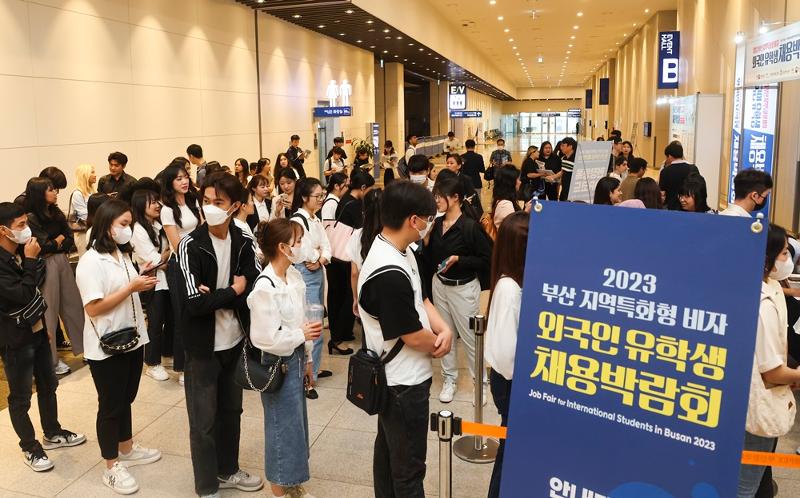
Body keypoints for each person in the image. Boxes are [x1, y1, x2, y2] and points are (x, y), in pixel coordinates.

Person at [357, 181, 453, 498]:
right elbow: (410, 335)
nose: (429, 225)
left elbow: (421, 299)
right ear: (414, 220)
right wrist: (439, 345)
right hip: (402, 383)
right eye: (428, 218)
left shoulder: (401, 250)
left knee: (389, 455)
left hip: (402, 376)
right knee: (409, 470)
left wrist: (444, 329)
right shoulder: (387, 271)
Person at [177, 172, 263, 497]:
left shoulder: (242, 240)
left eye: (219, 202)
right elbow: (194, 304)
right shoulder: (190, 244)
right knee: (203, 421)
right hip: (202, 348)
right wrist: (231, 290)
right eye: (206, 201)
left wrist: (221, 294)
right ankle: (207, 486)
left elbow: (252, 288)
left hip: (234, 341)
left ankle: (228, 469)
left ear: (235, 206)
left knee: (232, 412)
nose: (210, 208)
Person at [75, 199, 161, 494]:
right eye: (123, 224)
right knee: (111, 405)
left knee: (127, 397)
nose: (128, 230)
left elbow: (127, 289)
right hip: (107, 344)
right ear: (107, 225)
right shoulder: (90, 262)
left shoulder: (120, 254)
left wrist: (142, 275)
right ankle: (111, 465)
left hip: (133, 337)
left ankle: (126, 448)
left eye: (130, 224)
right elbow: (94, 308)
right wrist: (131, 287)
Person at [0, 202, 86, 472]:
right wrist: (30, 259)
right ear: (3, 230)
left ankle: (52, 431)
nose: (27, 230)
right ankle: (30, 447)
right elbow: (23, 293)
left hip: (36, 330)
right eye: (21, 226)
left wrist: (44, 325)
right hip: (14, 339)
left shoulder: (20, 253)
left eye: (27, 223)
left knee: (49, 385)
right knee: (21, 396)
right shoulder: (9, 260)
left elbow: (36, 285)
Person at [248, 219, 321, 498]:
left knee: (296, 425)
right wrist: (299, 335)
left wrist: (309, 358)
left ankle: (291, 483)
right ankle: (279, 489)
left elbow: (305, 322)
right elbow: (265, 339)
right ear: (282, 247)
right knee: (281, 426)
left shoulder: (294, 277)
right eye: (298, 241)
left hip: (297, 359)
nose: (302, 247)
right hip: (278, 362)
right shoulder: (265, 287)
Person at [737, 224, 800, 498]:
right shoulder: (762, 307)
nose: (789, 259)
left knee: (758, 475)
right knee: (744, 486)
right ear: (767, 259)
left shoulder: (761, 285)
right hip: (757, 405)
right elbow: (772, 372)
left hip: (751, 400)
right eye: (784, 253)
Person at [425, 176, 492, 404]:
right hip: (439, 285)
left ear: (455, 198)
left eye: (440, 195)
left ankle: (480, 383)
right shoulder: (436, 224)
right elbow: (429, 256)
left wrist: (459, 259)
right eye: (435, 195)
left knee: (471, 338)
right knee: (445, 336)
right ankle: (449, 379)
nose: (436, 200)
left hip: (463, 289)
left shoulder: (469, 227)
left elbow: (487, 259)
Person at [484, 211, 529, 498]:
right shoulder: (509, 289)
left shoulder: (514, 282)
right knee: (510, 451)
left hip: (510, 380)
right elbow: (504, 354)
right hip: (510, 382)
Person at [25, 178, 84, 375]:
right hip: (45, 265)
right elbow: (42, 246)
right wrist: (58, 241)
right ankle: (51, 362)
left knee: (73, 306)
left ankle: (85, 348)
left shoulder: (56, 212)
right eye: (51, 190)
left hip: (62, 261)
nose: (55, 192)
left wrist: (57, 241)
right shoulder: (31, 217)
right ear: (40, 193)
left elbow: (69, 239)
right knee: (48, 314)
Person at [289, 178, 334, 399]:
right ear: (305, 197)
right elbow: (304, 251)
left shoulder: (314, 219)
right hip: (306, 274)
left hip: (317, 272)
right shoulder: (298, 220)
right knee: (309, 327)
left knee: (317, 323)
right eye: (317, 196)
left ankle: (313, 370)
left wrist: (321, 258)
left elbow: (327, 246)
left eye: (322, 195)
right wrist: (317, 256)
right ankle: (307, 380)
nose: (321, 199)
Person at [160, 161, 202, 386]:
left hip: (197, 262)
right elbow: (176, 244)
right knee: (182, 315)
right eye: (178, 178)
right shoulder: (167, 210)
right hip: (181, 265)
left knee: (197, 312)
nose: (184, 181)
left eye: (185, 176)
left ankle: (196, 362)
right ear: (170, 183)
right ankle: (183, 368)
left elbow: (201, 230)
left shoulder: (193, 202)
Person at [130, 189, 172, 382]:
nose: (157, 205)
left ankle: (166, 353)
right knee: (155, 322)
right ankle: (152, 363)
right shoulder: (138, 229)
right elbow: (155, 261)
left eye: (157, 201)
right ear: (141, 206)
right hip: (151, 281)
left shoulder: (158, 225)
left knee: (169, 319)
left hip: (165, 279)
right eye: (152, 202)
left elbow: (169, 253)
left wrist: (164, 256)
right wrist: (165, 255)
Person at [321, 172, 355, 349]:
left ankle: (339, 331)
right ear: (337, 186)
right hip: (335, 255)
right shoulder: (331, 204)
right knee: (336, 294)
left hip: (335, 253)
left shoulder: (335, 202)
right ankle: (337, 333)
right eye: (345, 184)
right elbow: (330, 230)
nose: (347, 187)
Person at [347, 188, 383, 315]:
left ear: (364, 210)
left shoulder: (357, 235)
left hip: (366, 290)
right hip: (388, 287)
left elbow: (354, 273)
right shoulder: (392, 234)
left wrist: (356, 298)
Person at [658, 141, 700, 210]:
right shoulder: (693, 168)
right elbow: (698, 188)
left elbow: (662, 192)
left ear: (670, 156)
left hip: (672, 207)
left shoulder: (665, 171)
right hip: (690, 207)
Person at [69, 163, 97, 257]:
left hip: (93, 231)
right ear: (85, 175)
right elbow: (84, 215)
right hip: (83, 233)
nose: (95, 175)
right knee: (86, 259)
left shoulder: (92, 192)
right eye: (92, 172)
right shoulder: (77, 193)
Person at [491, 165, 521, 229]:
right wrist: (525, 213)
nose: (520, 182)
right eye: (518, 179)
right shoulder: (505, 205)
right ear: (511, 183)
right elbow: (511, 231)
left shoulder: (503, 200)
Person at [555, 137, 577, 201]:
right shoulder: (564, 158)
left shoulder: (576, 159)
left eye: (563, 146)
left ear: (570, 146)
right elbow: (562, 172)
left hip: (573, 191)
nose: (561, 148)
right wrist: (552, 177)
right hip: (564, 189)